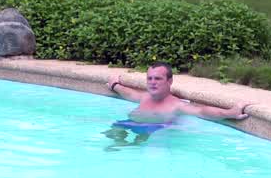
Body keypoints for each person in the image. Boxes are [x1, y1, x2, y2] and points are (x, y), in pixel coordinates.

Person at [103, 62, 251, 146]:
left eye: (158, 79)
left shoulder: (176, 105)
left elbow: (202, 112)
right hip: (129, 124)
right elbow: (128, 93)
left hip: (151, 132)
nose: (152, 83)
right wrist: (115, 84)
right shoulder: (144, 97)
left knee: (136, 146)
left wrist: (230, 112)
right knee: (112, 137)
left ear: (169, 81)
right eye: (150, 78)